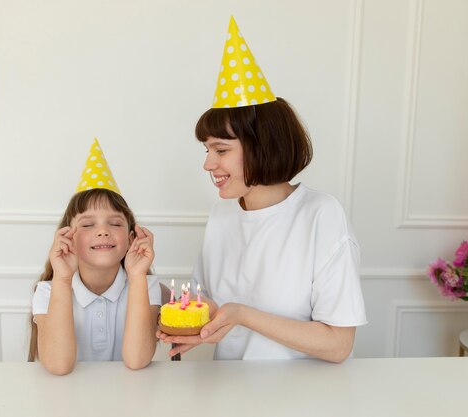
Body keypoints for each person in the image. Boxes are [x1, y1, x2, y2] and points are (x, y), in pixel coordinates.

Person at [157, 17, 367, 362]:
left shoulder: (321, 215)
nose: (208, 165)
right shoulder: (221, 214)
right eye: (206, 151)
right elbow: (210, 307)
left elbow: (338, 345)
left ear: (261, 146)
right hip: (229, 391)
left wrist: (242, 314)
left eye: (221, 150)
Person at [28, 139, 160, 373]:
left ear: (131, 239)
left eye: (115, 223)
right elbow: (59, 366)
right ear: (69, 238)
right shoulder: (48, 291)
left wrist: (137, 276)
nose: (102, 231)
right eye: (88, 224)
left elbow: (137, 360)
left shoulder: (145, 285)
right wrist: (62, 278)